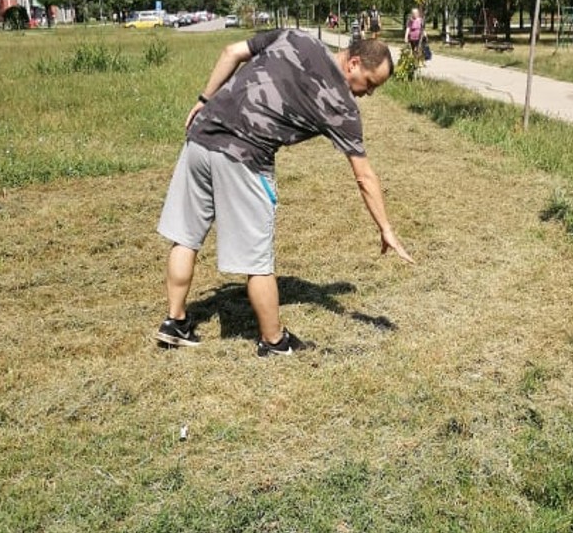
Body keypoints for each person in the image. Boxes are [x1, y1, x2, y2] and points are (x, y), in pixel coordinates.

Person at [156, 28, 413, 357]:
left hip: (202, 136)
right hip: (245, 157)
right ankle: (274, 341)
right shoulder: (342, 107)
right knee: (258, 260)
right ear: (354, 63)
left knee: (186, 236)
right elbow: (364, 176)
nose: (369, 93)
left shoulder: (296, 37)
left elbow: (231, 52)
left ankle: (175, 322)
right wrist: (386, 228)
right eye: (370, 83)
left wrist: (204, 100)